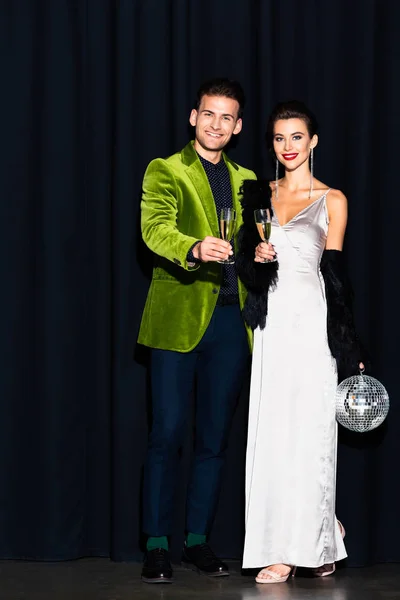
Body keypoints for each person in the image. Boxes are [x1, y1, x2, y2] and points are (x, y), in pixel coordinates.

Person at [235, 100, 366, 584]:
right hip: (271, 326)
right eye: (278, 138)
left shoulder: (332, 199)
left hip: (312, 324)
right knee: (273, 434)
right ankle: (304, 537)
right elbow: (246, 271)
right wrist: (258, 258)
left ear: (312, 142)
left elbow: (336, 277)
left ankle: (307, 542)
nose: (287, 147)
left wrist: (349, 345)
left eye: (296, 137)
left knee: (310, 435)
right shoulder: (258, 195)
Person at [138, 78, 257, 584]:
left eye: (226, 117)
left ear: (238, 127)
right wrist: (192, 248)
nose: (216, 124)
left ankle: (197, 541)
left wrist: (261, 256)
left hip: (232, 322)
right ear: (193, 117)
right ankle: (157, 544)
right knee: (166, 434)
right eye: (209, 114)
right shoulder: (166, 169)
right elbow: (154, 227)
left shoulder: (249, 177)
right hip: (177, 321)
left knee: (214, 439)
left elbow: (255, 242)